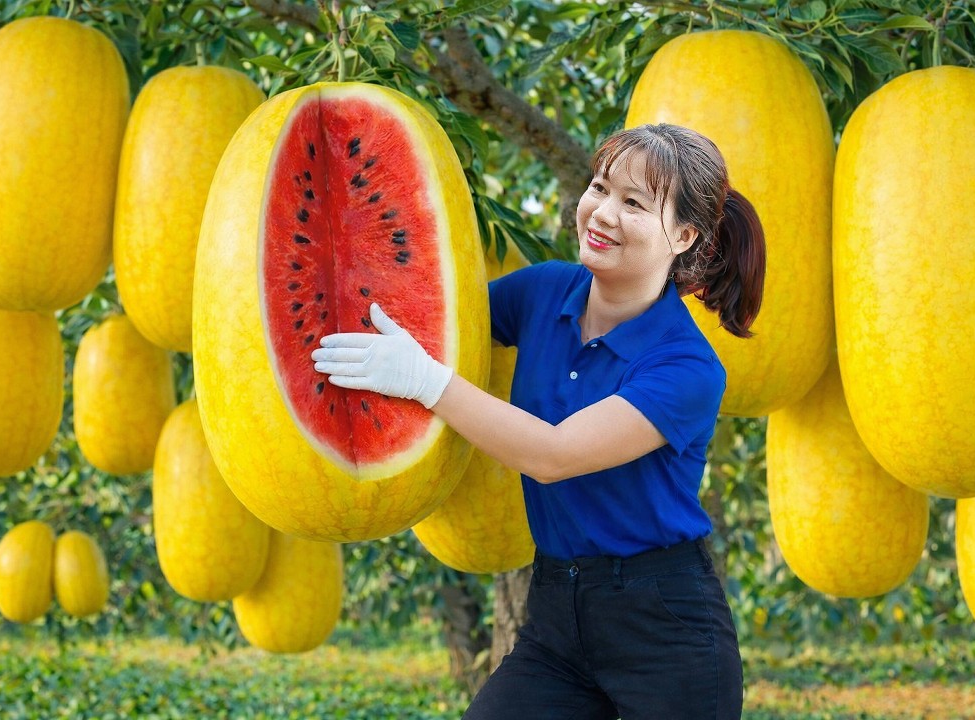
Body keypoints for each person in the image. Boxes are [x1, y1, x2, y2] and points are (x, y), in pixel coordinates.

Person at [311, 123, 766, 719]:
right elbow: (435, 318)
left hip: (665, 631)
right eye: (599, 187)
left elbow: (554, 456)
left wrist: (425, 381)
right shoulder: (544, 291)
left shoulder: (687, 368)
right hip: (557, 613)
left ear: (682, 236)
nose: (603, 213)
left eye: (633, 203)